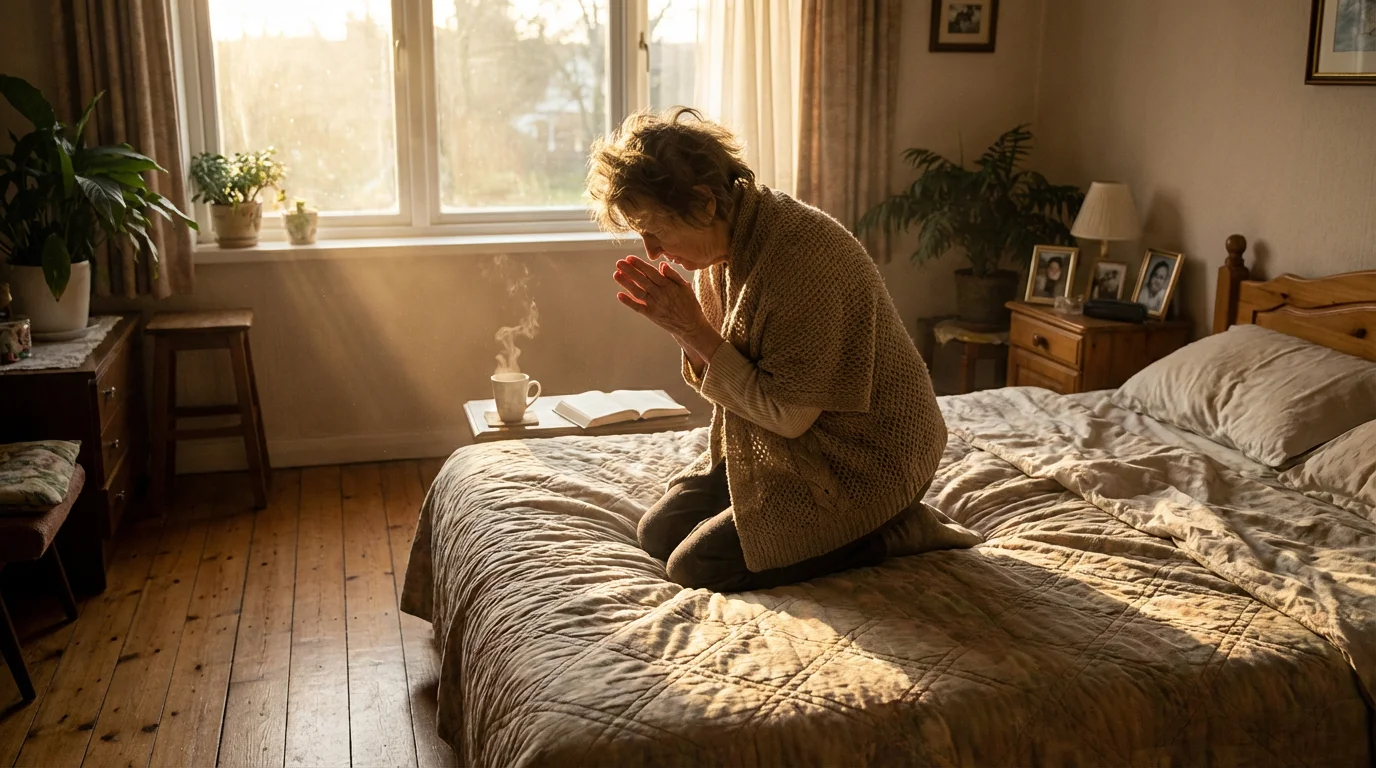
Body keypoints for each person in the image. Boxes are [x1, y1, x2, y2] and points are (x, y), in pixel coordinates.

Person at [585, 108, 981, 592]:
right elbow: (740, 383)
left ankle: (895, 528)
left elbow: (788, 414)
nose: (651, 251)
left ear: (704, 204)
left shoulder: (801, 258)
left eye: (656, 230)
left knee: (697, 567)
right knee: (658, 533)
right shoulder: (724, 249)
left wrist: (692, 328)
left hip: (867, 461)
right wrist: (685, 328)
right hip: (792, 445)